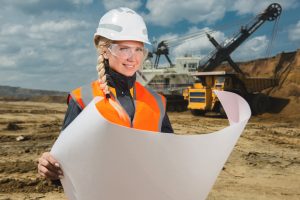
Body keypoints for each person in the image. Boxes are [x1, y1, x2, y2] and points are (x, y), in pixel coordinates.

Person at [37, 7, 173, 181]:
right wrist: (50, 167)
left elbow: (170, 157)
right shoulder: (83, 99)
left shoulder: (157, 101)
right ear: (105, 50)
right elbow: (64, 164)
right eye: (124, 49)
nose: (133, 58)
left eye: (139, 49)